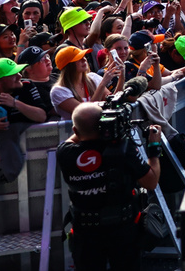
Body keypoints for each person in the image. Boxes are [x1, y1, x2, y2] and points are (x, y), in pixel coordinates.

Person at [57, 101, 162, 271]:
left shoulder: (64, 152)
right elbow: (151, 182)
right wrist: (154, 148)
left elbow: (77, 134)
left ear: (75, 130)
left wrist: (90, 124)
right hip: (122, 230)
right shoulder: (124, 150)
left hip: (85, 231)